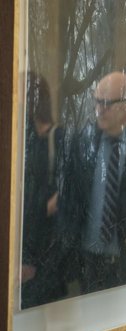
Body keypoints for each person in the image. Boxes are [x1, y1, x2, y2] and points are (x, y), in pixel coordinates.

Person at [58, 71, 126, 294]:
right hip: (87, 261)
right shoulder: (82, 144)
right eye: (97, 102)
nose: (99, 109)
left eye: (107, 103)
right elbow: (70, 202)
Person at [20, 71, 68, 308]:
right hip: (24, 232)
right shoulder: (23, 138)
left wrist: (45, 206)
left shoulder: (58, 136)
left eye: (29, 94)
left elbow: (64, 189)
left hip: (47, 239)